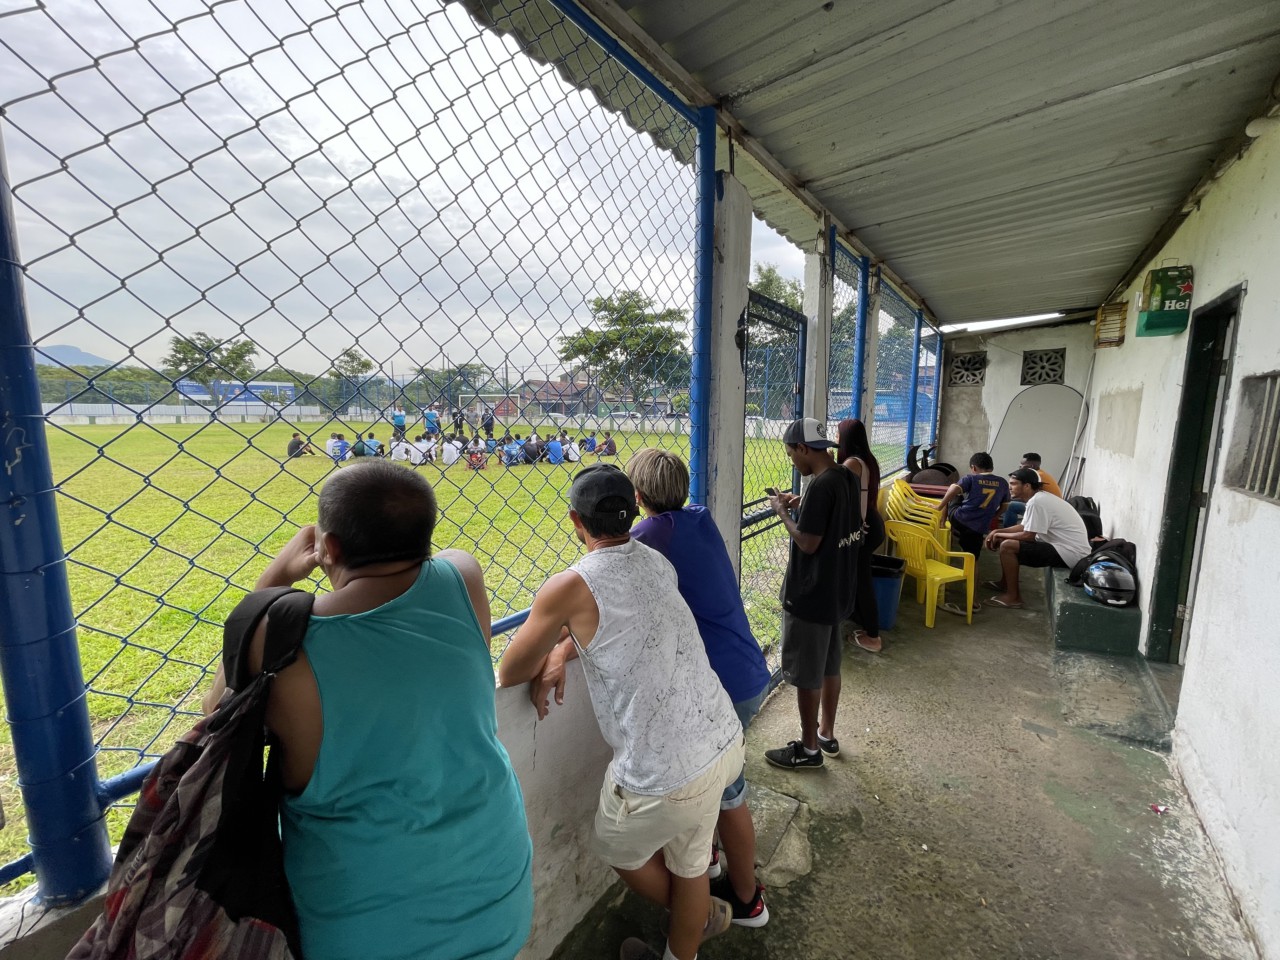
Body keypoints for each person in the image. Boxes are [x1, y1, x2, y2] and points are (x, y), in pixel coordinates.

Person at [200, 462, 533, 960]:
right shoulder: (463, 576)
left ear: (328, 549)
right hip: (498, 888)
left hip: (366, 926)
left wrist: (275, 579)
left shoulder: (281, 638)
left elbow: (214, 715)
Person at [498, 464, 743, 960]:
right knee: (691, 864)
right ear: (633, 507)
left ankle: (694, 918)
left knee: (617, 848)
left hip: (666, 771)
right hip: (721, 740)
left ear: (575, 520)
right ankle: (689, 937)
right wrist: (564, 647)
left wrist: (552, 648)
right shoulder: (655, 559)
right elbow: (618, 618)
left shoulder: (570, 585)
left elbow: (509, 670)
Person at [626, 448, 771, 928]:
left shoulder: (649, 533)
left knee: (729, 793)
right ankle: (708, 861)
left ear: (638, 496)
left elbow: (604, 574)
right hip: (743, 671)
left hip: (722, 684)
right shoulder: (698, 518)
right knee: (714, 785)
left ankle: (748, 901)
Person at [764, 418, 858, 771]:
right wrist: (801, 505)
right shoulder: (846, 476)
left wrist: (783, 513)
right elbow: (835, 520)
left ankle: (807, 749)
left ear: (803, 449)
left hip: (811, 594)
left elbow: (808, 540)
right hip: (837, 590)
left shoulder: (821, 487)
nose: (792, 461)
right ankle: (826, 733)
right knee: (830, 665)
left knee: (806, 673)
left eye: (792, 454)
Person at [983, 468, 1091, 608]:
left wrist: (997, 534)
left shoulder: (1037, 502)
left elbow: (1028, 535)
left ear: (1027, 485)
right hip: (1062, 548)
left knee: (1008, 546)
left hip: (1070, 553)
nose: (1010, 487)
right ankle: (1005, 583)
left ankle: (1013, 597)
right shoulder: (1037, 498)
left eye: (1014, 483)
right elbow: (1024, 527)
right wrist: (997, 531)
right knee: (1005, 540)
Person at [836, 419, 885, 652]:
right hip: (872, 523)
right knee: (859, 578)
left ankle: (873, 637)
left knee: (863, 582)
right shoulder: (868, 459)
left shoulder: (851, 463)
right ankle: (867, 627)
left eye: (838, 434)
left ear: (846, 438)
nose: (836, 440)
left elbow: (834, 488)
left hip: (864, 527)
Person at [936, 452, 1010, 564]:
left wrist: (939, 506)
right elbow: (1005, 506)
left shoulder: (970, 478)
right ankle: (973, 580)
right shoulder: (1003, 483)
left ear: (973, 467)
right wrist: (993, 516)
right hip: (980, 525)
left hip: (960, 519)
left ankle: (943, 523)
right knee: (973, 560)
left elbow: (955, 489)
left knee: (953, 488)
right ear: (992, 468)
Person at [1001, 452, 1062, 527]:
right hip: (1049, 507)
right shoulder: (1041, 473)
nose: (1019, 468)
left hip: (1048, 511)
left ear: (1030, 466)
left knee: (1010, 506)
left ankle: (1007, 531)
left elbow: (1026, 496)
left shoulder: (1037, 476)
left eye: (1021, 466)